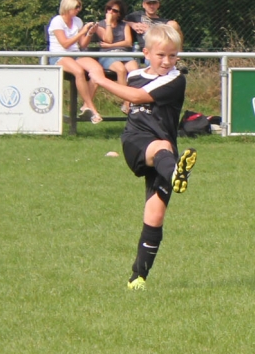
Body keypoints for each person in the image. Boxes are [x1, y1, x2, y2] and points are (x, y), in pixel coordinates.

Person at [82, 24, 197, 290]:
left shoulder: (175, 79)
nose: (167, 61)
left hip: (165, 155)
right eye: (161, 55)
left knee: (155, 216)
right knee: (161, 146)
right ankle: (177, 173)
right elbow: (131, 97)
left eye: (172, 55)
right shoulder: (134, 75)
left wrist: (101, 80)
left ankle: (138, 277)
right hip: (136, 143)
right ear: (146, 53)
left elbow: (136, 96)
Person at [47, 0, 103, 124]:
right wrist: (82, 31)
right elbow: (65, 44)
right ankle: (92, 109)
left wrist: (89, 33)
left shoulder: (77, 21)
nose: (78, 10)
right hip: (59, 55)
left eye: (79, 7)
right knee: (78, 71)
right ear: (68, 7)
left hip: (75, 54)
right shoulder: (57, 21)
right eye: (76, 7)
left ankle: (86, 106)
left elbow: (83, 44)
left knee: (97, 70)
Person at [91, 0, 138, 113]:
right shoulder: (100, 25)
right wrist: (108, 23)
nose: (111, 12)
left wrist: (111, 45)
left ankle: (135, 100)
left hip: (123, 53)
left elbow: (128, 42)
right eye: (109, 9)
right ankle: (127, 103)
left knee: (135, 70)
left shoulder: (124, 25)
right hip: (107, 55)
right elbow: (108, 39)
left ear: (119, 14)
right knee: (121, 70)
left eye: (115, 11)